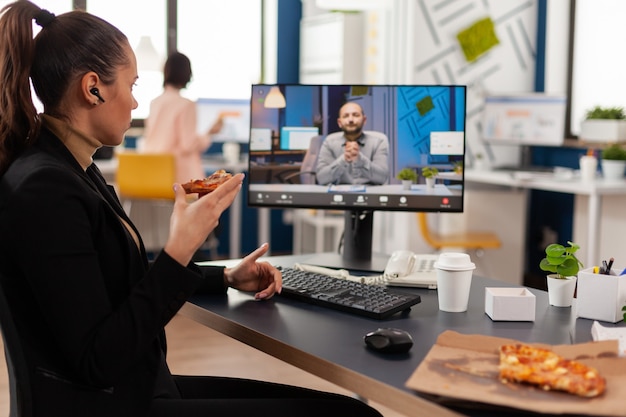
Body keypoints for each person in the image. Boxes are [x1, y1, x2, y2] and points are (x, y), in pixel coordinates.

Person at [0, 2, 383, 417]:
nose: (133, 104)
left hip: (135, 385)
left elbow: (117, 284)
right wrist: (180, 250)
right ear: (93, 88)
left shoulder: (72, 169)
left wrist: (225, 277)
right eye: (131, 86)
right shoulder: (46, 188)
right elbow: (98, 359)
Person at [142, 51, 223, 183]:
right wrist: (209, 133)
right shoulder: (186, 105)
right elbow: (188, 145)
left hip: (153, 174)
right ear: (187, 73)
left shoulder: (155, 102)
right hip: (176, 177)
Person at [315, 102, 389, 185]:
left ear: (364, 120)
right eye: (346, 116)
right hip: (339, 195)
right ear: (339, 123)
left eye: (355, 115)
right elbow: (321, 179)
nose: (350, 120)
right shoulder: (330, 141)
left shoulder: (379, 141)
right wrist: (343, 160)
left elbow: (382, 178)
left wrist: (360, 159)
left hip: (370, 195)